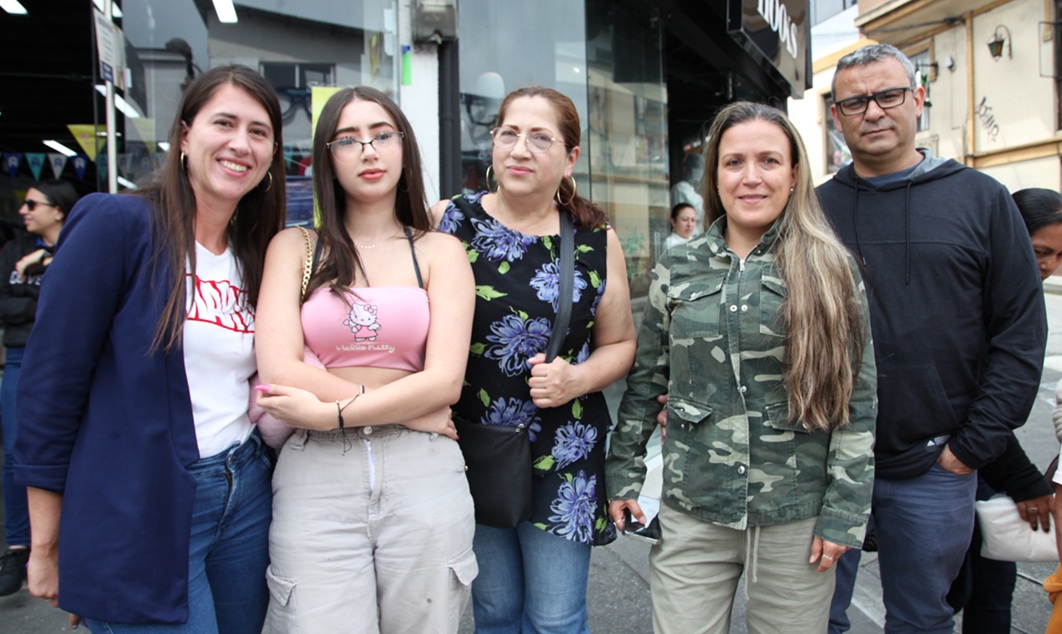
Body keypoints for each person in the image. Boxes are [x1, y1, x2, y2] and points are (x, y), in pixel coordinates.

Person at [14, 65, 286, 631]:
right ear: (184, 136)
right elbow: (50, 387)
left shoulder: (257, 252)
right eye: (224, 123)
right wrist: (49, 542)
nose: (241, 144)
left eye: (258, 132)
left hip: (244, 492)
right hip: (142, 504)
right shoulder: (118, 225)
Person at [606, 101, 876, 634]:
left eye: (768, 161)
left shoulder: (831, 268)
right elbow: (646, 381)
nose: (751, 177)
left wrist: (845, 511)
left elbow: (857, 401)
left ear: (794, 174)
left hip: (794, 513)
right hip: (693, 506)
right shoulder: (678, 265)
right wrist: (624, 473)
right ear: (715, 176)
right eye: (734, 163)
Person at [821, 44, 1047, 634]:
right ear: (837, 116)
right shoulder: (813, 211)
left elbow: (1020, 333)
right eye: (855, 102)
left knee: (921, 620)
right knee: (812, 620)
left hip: (934, 464)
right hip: (820, 461)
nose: (873, 111)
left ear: (917, 98)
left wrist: (970, 449)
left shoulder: (980, 199)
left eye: (888, 94)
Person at [253, 86, 477, 633]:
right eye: (348, 140)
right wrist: (401, 410)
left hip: (422, 469)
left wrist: (334, 411)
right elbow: (279, 369)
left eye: (382, 135)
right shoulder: (295, 246)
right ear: (327, 157)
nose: (369, 151)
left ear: (404, 147)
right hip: (317, 471)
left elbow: (445, 382)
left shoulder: (440, 251)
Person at [431, 85, 637, 633]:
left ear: (570, 158)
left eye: (540, 138)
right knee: (495, 612)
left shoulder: (595, 240)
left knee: (556, 618)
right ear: (493, 143)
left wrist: (578, 378)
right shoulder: (448, 221)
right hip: (471, 447)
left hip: (563, 450)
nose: (520, 149)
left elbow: (621, 344)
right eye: (510, 134)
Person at [946, 187, 1062, 633]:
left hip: (985, 464)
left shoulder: (1019, 296)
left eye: (1058, 255)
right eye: (1040, 251)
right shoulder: (968, 296)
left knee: (993, 590)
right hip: (951, 465)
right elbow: (970, 394)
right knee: (942, 596)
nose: (1048, 265)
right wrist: (1023, 478)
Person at [0, 179, 78, 597]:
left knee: (62, 447)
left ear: (58, 210)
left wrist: (45, 267)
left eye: (32, 204)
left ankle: (63, 539)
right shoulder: (13, 251)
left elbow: (73, 303)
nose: (24, 210)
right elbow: (5, 305)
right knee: (17, 450)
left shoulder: (79, 246)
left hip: (60, 352)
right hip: (18, 353)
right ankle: (20, 545)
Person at [670, 152, 705, 235]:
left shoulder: (691, 189)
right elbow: (698, 210)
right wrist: (701, 199)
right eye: (697, 170)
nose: (698, 176)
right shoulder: (681, 188)